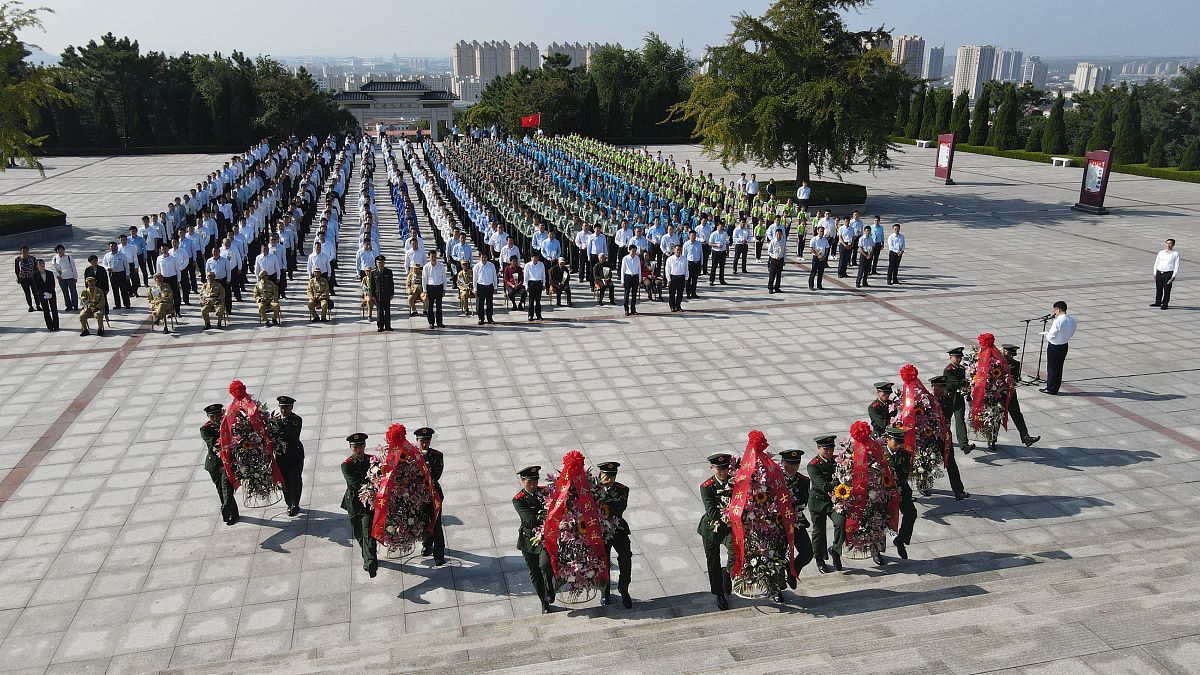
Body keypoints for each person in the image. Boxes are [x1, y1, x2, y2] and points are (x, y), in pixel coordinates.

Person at [513, 465, 555, 613]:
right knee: (535, 573)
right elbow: (530, 520)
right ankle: (543, 601)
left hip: (545, 538)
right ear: (522, 481)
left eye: (534, 482)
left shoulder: (545, 492)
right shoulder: (519, 499)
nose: (532, 485)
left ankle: (550, 589)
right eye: (528, 482)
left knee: (545, 565)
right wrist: (547, 513)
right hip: (529, 540)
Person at [697, 453, 734, 611]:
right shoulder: (706, 487)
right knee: (712, 561)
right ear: (712, 468)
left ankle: (727, 574)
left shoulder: (735, 482)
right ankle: (719, 593)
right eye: (719, 469)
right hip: (711, 528)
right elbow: (712, 512)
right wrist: (732, 513)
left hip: (730, 528)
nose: (723, 473)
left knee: (735, 551)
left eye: (725, 469)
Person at [596, 461, 632, 608]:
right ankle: (605, 592)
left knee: (625, 558)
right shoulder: (591, 489)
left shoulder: (622, 489)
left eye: (613, 476)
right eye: (606, 476)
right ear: (600, 474)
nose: (609, 479)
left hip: (618, 530)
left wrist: (602, 499)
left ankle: (624, 589)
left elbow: (618, 510)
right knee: (603, 563)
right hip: (599, 533)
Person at [341, 433, 378, 577]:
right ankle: (367, 557)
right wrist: (371, 486)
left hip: (369, 504)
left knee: (368, 532)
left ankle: (371, 563)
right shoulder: (346, 464)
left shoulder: (372, 460)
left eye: (361, 446)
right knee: (358, 533)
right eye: (355, 446)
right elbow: (354, 483)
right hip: (354, 503)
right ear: (351, 447)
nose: (358, 449)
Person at [808, 434, 844, 574]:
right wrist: (841, 480)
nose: (828, 451)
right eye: (825, 448)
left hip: (834, 502)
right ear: (818, 448)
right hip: (818, 502)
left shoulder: (837, 461)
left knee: (840, 522)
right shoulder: (813, 465)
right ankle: (820, 559)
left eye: (830, 448)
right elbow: (824, 486)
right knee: (819, 532)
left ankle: (835, 551)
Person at [930, 376, 970, 500]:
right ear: (933, 386)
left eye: (943, 387)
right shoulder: (926, 401)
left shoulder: (946, 400)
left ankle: (958, 491)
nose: (942, 389)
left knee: (951, 462)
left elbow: (947, 415)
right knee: (927, 462)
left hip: (944, 436)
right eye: (939, 386)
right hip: (929, 437)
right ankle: (924, 485)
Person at [778, 449, 814, 590]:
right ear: (782, 462)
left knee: (807, 553)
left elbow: (802, 502)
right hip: (778, 524)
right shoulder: (775, 480)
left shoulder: (803, 481)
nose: (793, 467)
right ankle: (777, 588)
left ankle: (793, 570)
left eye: (796, 464)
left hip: (796, 521)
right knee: (777, 557)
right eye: (789, 463)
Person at [200, 404, 239, 525]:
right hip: (215, 464)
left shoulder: (229, 424)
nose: (216, 418)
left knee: (226, 487)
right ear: (208, 417)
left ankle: (226, 508)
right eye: (212, 416)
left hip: (227, 462)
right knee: (220, 489)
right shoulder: (205, 429)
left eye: (217, 415)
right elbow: (213, 443)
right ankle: (231, 512)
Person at [884, 428, 917, 560]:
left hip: (901, 491)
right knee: (879, 520)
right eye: (896, 442)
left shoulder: (904, 455)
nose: (898, 446)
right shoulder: (880, 454)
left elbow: (903, 476)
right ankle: (877, 550)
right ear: (888, 440)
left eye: (900, 443)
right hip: (884, 493)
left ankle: (901, 540)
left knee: (911, 513)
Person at [414, 427, 445, 566]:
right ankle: (427, 544)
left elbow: (436, 475)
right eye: (422, 441)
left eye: (427, 441)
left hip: (433, 495)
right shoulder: (411, 455)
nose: (425, 444)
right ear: (417, 441)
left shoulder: (436, 455)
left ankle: (439, 554)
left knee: (436, 524)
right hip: (417, 496)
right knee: (423, 522)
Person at [1002, 344, 1041, 447]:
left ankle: (1026, 437)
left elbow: (1015, 378)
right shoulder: (996, 363)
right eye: (1010, 354)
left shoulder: (1016, 364)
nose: (1011, 357)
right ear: (1005, 351)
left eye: (1013, 355)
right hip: (998, 394)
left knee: (1017, 415)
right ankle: (991, 439)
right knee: (996, 416)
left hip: (1010, 393)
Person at [274, 396, 304, 516]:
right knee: (284, 480)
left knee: (295, 480)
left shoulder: (296, 420)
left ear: (291, 407)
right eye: (281, 407)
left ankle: (295, 503)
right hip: (281, 456)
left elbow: (288, 435)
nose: (283, 410)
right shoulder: (275, 420)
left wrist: (273, 433)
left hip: (294, 455)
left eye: (286, 407)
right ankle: (289, 503)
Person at [943, 347, 976, 454]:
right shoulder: (948, 370)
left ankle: (964, 445)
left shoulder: (961, 369)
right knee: (945, 421)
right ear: (950, 357)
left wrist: (968, 392)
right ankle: (942, 440)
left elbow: (962, 384)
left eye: (960, 357)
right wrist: (965, 382)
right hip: (949, 398)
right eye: (956, 357)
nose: (959, 359)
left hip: (958, 398)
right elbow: (953, 384)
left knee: (960, 420)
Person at [1039, 301, 1076, 395]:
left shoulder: (1058, 321)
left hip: (1055, 346)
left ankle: (1051, 388)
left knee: (1052, 367)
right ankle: (1055, 387)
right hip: (1064, 345)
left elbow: (1052, 335)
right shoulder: (1071, 320)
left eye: (1055, 310)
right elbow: (1071, 332)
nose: (1054, 312)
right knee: (1059, 367)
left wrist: (1046, 335)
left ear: (1058, 310)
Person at [102, 241, 132, 309]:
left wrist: (127, 274)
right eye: (111, 247)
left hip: (121, 274)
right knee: (115, 291)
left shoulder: (122, 255)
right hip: (112, 275)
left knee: (124, 290)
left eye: (114, 246)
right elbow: (104, 264)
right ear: (109, 248)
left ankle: (127, 304)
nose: (113, 248)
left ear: (117, 247)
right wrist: (107, 268)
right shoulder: (107, 255)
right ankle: (117, 305)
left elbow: (127, 266)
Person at [32, 259, 59, 331]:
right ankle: (50, 326)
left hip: (51, 293)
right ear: (37, 266)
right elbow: (36, 286)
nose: (42, 265)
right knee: (46, 310)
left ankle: (56, 325)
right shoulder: (35, 275)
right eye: (40, 264)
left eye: (43, 263)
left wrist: (50, 292)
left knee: (54, 309)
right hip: (42, 295)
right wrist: (43, 293)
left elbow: (52, 284)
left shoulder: (50, 273)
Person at [422, 251, 447, 329]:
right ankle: (431, 322)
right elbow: (424, 280)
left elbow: (444, 278)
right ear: (429, 257)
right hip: (430, 288)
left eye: (434, 256)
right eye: (432, 257)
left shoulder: (441, 266)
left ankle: (439, 322)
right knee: (430, 306)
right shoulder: (426, 267)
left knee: (439, 306)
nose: (433, 258)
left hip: (439, 287)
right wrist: (425, 291)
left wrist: (444, 289)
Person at [1152, 238, 1179, 309]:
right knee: (1159, 288)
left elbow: (1176, 265)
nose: (1168, 245)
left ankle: (1165, 303)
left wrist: (1174, 275)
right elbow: (1156, 263)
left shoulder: (1175, 254)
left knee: (1167, 289)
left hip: (1168, 273)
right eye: (1167, 243)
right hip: (1159, 272)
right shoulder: (1161, 252)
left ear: (1173, 245)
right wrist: (1155, 272)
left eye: (1170, 243)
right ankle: (1158, 302)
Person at [370, 256, 394, 332]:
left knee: (387, 311)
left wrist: (392, 293)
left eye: (382, 262)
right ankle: (380, 326)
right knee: (379, 311)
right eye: (379, 263)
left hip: (386, 294)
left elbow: (391, 284)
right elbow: (372, 285)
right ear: (376, 263)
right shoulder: (373, 273)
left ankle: (388, 326)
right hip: (378, 295)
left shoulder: (388, 272)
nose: (381, 264)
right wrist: (373, 295)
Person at [51, 245, 78, 311]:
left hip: (70, 277)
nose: (60, 251)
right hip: (61, 278)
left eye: (61, 249)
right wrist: (57, 276)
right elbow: (54, 268)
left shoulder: (69, 257)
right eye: (58, 250)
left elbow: (73, 267)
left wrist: (75, 277)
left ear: (63, 250)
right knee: (65, 292)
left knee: (73, 292)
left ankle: (75, 305)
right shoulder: (55, 258)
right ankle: (68, 305)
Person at [473, 252, 497, 325]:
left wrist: (495, 287)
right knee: (480, 304)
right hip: (480, 286)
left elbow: (494, 276)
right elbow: (475, 279)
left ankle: (490, 318)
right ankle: (481, 318)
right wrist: (475, 289)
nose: (484, 259)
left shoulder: (491, 265)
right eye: (482, 257)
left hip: (489, 286)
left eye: (485, 257)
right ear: (480, 258)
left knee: (489, 303)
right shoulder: (476, 266)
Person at [14, 245, 40, 312]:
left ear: (28, 251)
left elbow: (36, 268)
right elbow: (17, 270)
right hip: (24, 279)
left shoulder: (32, 258)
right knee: (27, 293)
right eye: (23, 251)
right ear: (21, 252)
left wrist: (37, 276)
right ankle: (30, 306)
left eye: (26, 251)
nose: (25, 252)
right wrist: (18, 277)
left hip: (32, 278)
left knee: (36, 292)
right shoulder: (18, 259)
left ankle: (38, 305)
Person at [525, 250, 546, 321]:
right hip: (531, 283)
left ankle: (538, 315)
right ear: (531, 258)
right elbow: (526, 276)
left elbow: (543, 275)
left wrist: (543, 284)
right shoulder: (527, 265)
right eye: (534, 257)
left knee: (538, 300)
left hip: (539, 283)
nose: (535, 259)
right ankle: (530, 315)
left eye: (537, 257)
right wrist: (526, 286)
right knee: (531, 300)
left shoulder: (541, 264)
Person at [621, 245, 642, 316]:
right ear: (629, 251)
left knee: (634, 294)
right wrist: (622, 281)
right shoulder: (625, 258)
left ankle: (633, 309)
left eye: (635, 251)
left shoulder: (637, 258)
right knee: (627, 294)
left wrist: (639, 279)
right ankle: (626, 309)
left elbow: (639, 269)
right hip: (628, 277)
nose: (634, 252)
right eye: (632, 251)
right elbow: (623, 270)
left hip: (635, 277)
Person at [809, 226, 830, 291]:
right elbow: (811, 249)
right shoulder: (814, 239)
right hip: (816, 257)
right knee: (813, 272)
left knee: (821, 273)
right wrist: (817, 255)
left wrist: (824, 256)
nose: (821, 233)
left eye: (822, 231)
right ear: (817, 231)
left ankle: (819, 285)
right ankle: (811, 286)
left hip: (822, 258)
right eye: (820, 231)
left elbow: (827, 248)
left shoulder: (825, 240)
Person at [683, 232, 703, 299]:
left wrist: (701, 263)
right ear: (689, 236)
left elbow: (701, 254)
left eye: (694, 235)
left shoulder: (699, 244)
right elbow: (684, 255)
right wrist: (684, 265)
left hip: (696, 263)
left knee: (695, 279)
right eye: (692, 235)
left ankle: (693, 292)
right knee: (688, 279)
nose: (693, 237)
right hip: (689, 263)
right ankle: (688, 293)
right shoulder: (686, 244)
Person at [766, 228, 786, 294]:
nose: (779, 236)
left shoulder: (783, 241)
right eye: (777, 234)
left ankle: (777, 287)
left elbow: (784, 251)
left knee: (779, 274)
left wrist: (784, 260)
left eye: (780, 234)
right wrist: (774, 256)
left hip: (780, 259)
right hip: (774, 259)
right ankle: (770, 287)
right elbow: (769, 251)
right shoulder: (773, 241)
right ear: (775, 234)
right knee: (772, 274)